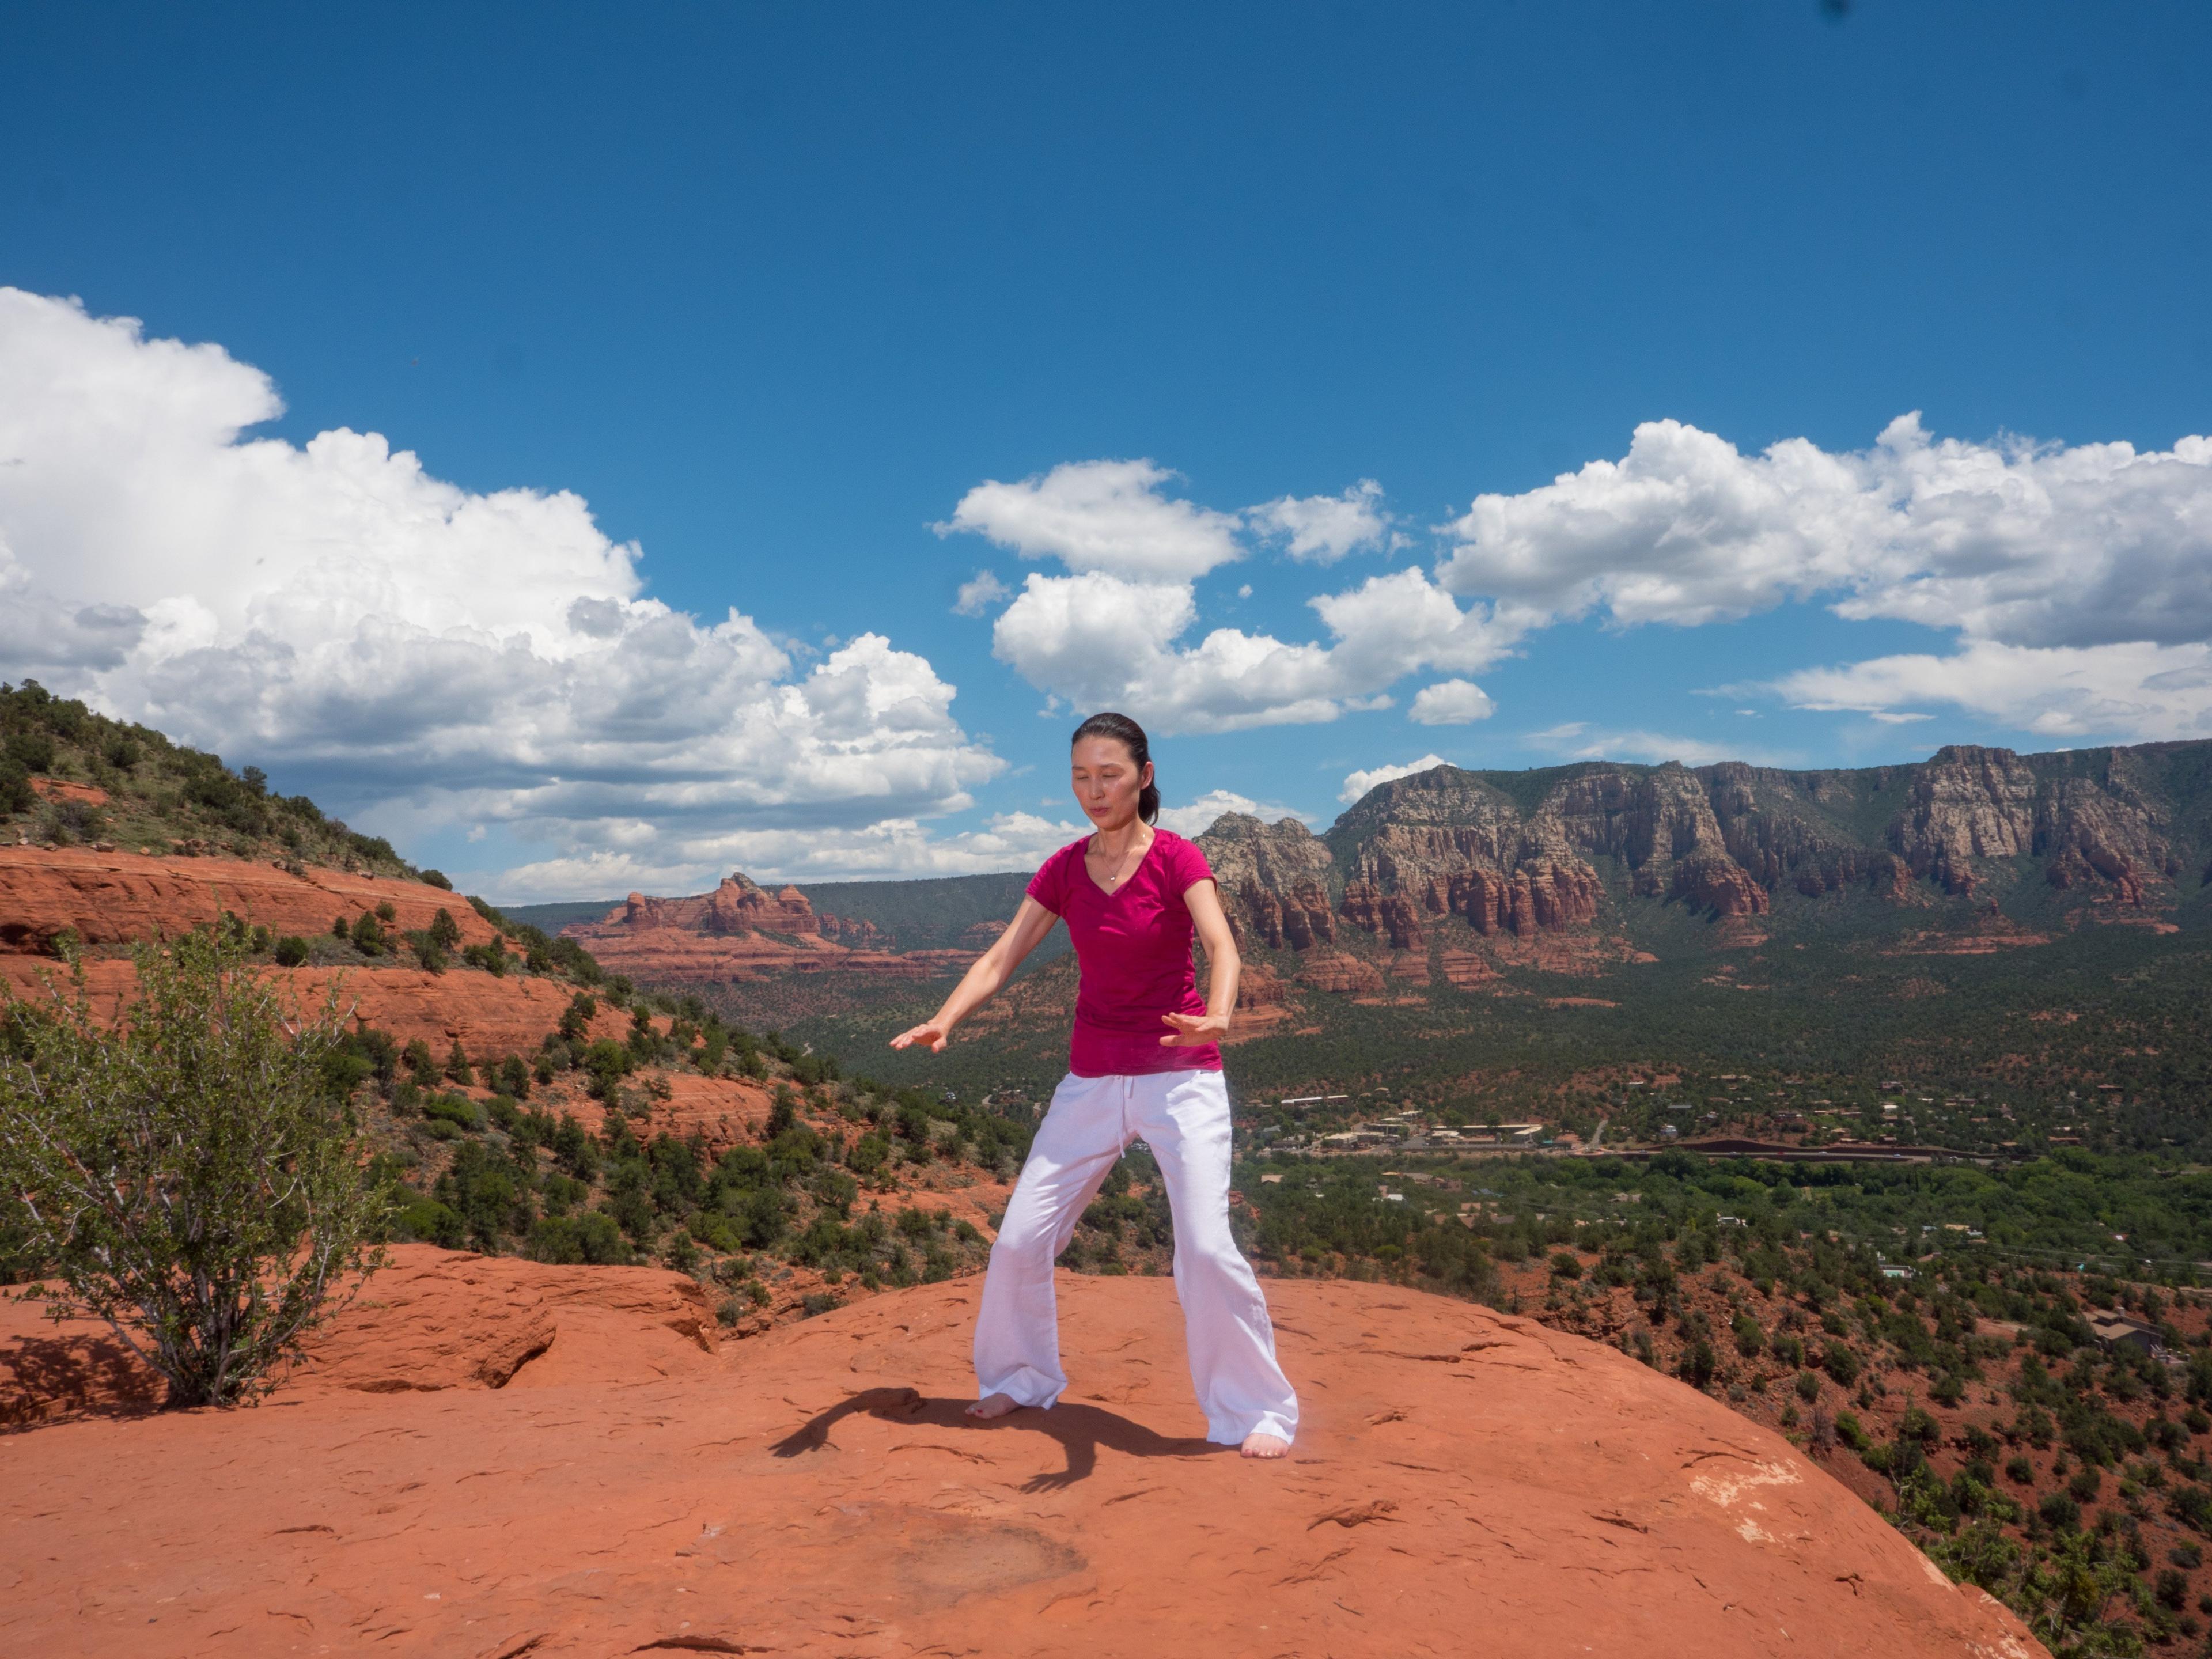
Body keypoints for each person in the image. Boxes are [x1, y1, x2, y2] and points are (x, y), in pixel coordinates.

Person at [891, 711, 1300, 1459]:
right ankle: (1020, 1377)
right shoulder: (1066, 868)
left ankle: (1255, 1413)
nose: (1093, 789)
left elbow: (1220, 944)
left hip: (1181, 1078)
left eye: (1108, 774)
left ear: (1144, 778)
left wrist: (1220, 1013)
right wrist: (945, 1018)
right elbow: (1001, 956)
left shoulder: (1177, 858)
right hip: (1093, 1077)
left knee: (1205, 1249)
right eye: (1080, 775)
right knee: (1019, 1239)